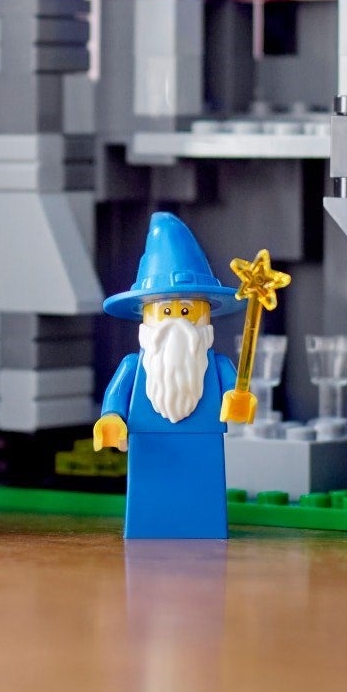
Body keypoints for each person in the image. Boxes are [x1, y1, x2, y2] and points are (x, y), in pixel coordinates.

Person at [92, 213, 254, 539]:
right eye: (166, 311)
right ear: (146, 319)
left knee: (202, 505)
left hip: (204, 447)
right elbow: (115, 399)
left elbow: (237, 395)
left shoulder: (218, 366)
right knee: (150, 505)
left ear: (206, 317)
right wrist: (111, 419)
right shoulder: (133, 367)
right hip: (149, 448)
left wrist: (239, 401)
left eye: (188, 311)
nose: (177, 320)